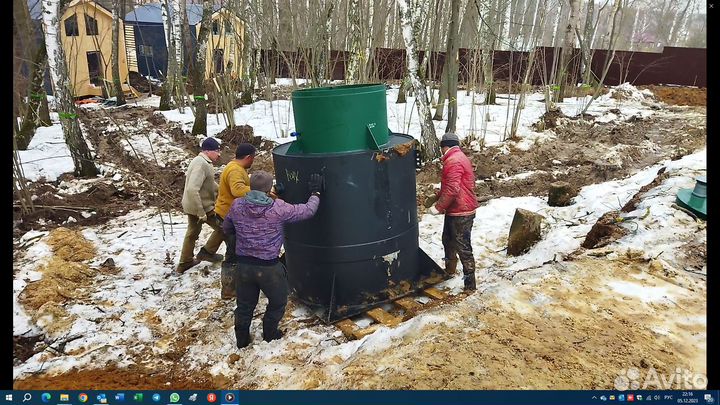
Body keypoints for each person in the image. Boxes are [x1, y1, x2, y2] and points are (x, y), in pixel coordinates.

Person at [223, 170, 322, 349]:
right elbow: (308, 211)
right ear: (269, 189)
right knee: (277, 302)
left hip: (244, 266)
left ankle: (242, 341)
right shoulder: (278, 209)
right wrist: (316, 193)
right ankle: (270, 334)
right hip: (269, 268)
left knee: (244, 306)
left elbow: (227, 227)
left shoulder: (237, 205)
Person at [428, 132, 479, 291]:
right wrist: (437, 195)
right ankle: (449, 271)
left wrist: (438, 207)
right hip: (457, 209)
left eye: (441, 147)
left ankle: (470, 285)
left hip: (461, 212)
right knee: (447, 240)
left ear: (445, 147)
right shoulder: (458, 157)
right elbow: (454, 185)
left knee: (463, 247)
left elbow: (453, 189)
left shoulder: (453, 161)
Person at [209, 143, 256, 299]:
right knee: (233, 253)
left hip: (228, 214)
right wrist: (259, 190)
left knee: (236, 251)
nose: (253, 162)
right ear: (249, 157)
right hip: (229, 216)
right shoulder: (235, 170)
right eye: (253, 158)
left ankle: (239, 283)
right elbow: (237, 190)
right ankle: (229, 290)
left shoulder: (232, 166)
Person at [177, 137, 225, 273]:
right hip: (201, 206)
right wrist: (201, 212)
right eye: (217, 151)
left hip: (192, 205)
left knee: (192, 233)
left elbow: (208, 183)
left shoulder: (201, 161)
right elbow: (193, 189)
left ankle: (185, 262)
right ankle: (207, 252)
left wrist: (221, 190)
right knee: (223, 228)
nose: (219, 154)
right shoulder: (201, 164)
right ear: (208, 151)